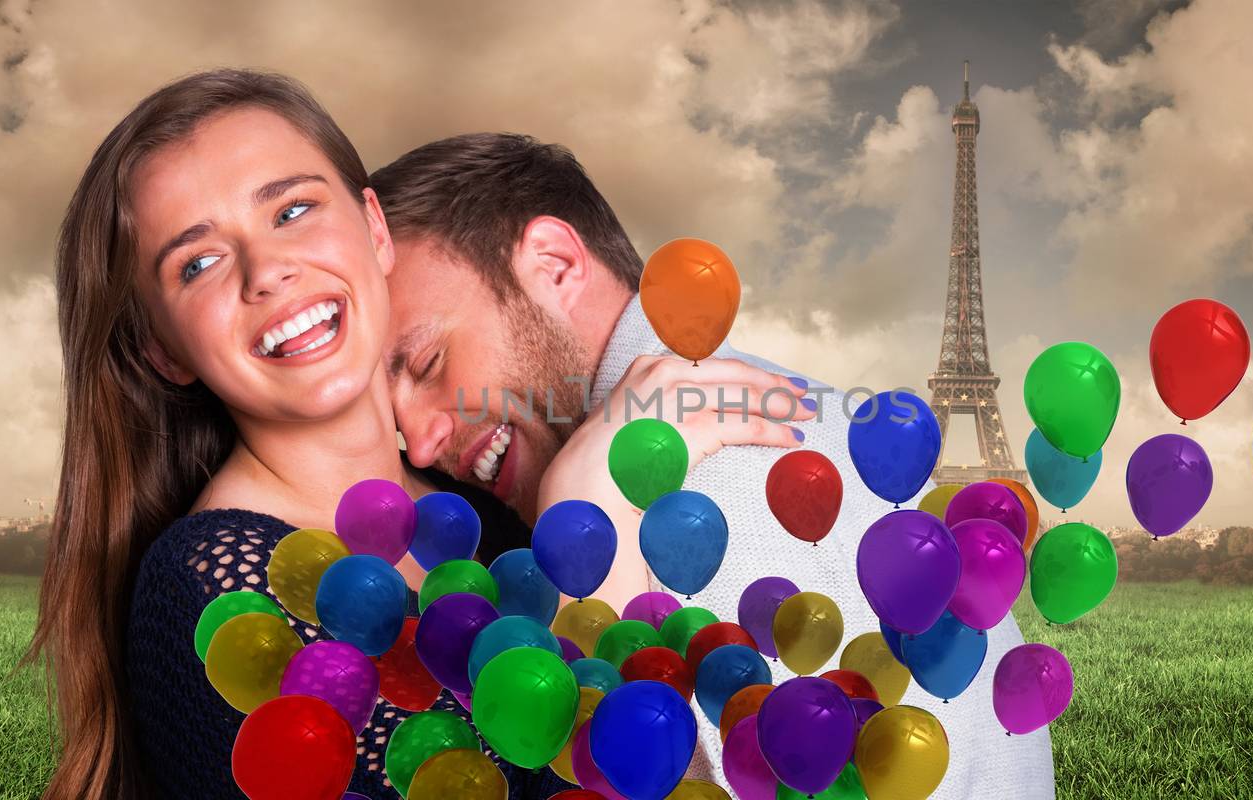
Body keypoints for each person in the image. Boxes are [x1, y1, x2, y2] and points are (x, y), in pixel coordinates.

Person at [371, 133, 1057, 797]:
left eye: (428, 362)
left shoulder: (708, 497)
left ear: (554, 264)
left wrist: (583, 517)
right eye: (393, 417)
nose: (421, 445)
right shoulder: (765, 412)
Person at [27, 71, 562, 800]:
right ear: (163, 350)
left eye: (293, 209)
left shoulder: (492, 520)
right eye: (199, 263)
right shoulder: (215, 585)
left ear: (375, 230)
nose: (267, 271)